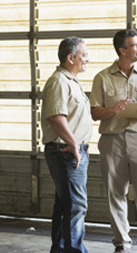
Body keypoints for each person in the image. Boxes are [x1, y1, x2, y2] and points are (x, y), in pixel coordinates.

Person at [89, 29, 137, 253]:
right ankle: (122, 243)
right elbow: (95, 113)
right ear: (122, 50)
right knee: (115, 193)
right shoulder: (102, 78)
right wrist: (112, 109)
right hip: (112, 141)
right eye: (135, 46)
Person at [41, 36, 92, 253]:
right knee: (75, 207)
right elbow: (56, 117)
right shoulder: (59, 81)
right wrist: (73, 144)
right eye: (84, 55)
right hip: (66, 151)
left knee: (65, 205)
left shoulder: (71, 81)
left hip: (70, 150)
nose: (87, 59)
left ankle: (60, 249)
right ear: (71, 58)